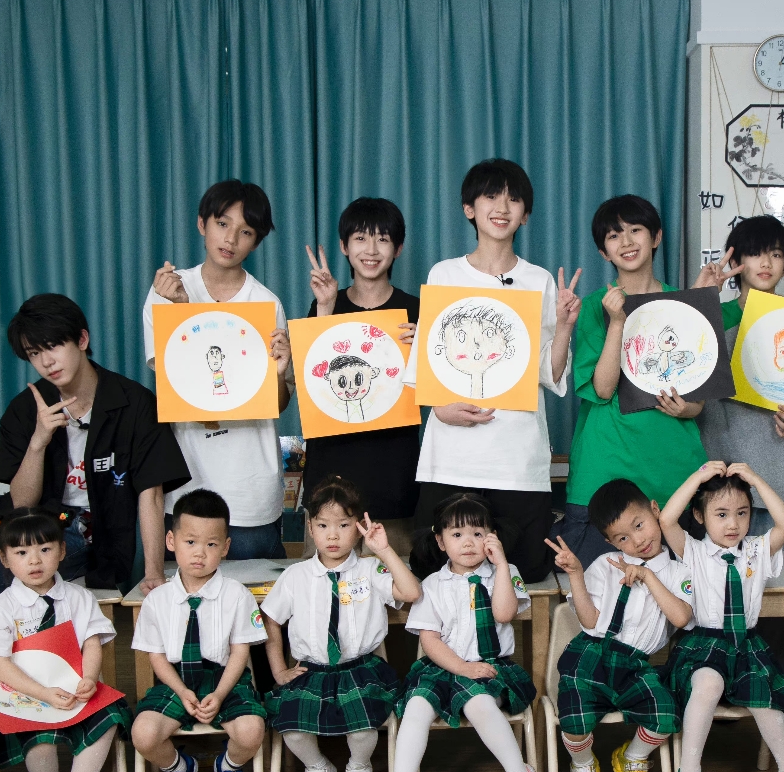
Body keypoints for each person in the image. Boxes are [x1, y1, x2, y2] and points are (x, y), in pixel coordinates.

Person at [0, 294, 190, 595]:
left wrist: (153, 573)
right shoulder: (25, 408)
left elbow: (152, 495)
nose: (46, 362)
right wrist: (38, 442)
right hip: (27, 518)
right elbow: (22, 503)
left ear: (81, 339)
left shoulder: (135, 403)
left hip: (86, 528)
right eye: (34, 353)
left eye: (53, 346)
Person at [404, 159, 581, 582]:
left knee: (526, 571)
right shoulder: (444, 273)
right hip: (452, 457)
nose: (502, 207)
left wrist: (564, 327)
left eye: (514, 199)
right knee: (438, 572)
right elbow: (427, 361)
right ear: (469, 208)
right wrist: (439, 408)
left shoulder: (539, 280)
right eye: (490, 196)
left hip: (516, 458)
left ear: (526, 214)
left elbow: (550, 374)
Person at [556, 195, 708, 568]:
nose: (626, 242)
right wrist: (617, 323)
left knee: (681, 592)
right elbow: (603, 388)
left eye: (635, 230)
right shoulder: (595, 306)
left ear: (656, 237)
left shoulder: (685, 305)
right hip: (606, 471)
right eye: (614, 235)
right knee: (602, 592)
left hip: (671, 471)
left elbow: (698, 401)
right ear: (603, 251)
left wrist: (684, 408)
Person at [143, 179, 291, 560]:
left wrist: (278, 372)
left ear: (256, 242)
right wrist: (179, 308)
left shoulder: (266, 303)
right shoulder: (167, 292)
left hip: (251, 490)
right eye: (222, 224)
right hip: (187, 484)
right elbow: (178, 386)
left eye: (246, 232)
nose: (230, 239)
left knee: (257, 593)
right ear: (201, 223)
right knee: (189, 594)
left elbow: (278, 402)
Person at [260, 476, 422, 772]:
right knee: (292, 727)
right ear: (310, 528)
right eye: (323, 525)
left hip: (361, 668)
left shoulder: (371, 569)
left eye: (344, 525)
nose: (332, 535)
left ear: (359, 527)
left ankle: (359, 769)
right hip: (311, 670)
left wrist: (383, 549)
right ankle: (318, 769)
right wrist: (278, 669)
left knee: (363, 726)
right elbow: (270, 619)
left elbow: (411, 593)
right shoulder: (296, 576)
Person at [391, 493, 541, 772]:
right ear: (441, 541)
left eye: (477, 533)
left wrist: (501, 565)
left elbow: (504, 613)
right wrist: (460, 667)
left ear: (492, 537)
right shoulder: (432, 584)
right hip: (443, 667)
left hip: (490, 667)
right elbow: (430, 640)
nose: (468, 542)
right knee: (415, 708)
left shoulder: (506, 573)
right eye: (457, 535)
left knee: (479, 703)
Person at [659, 461, 784, 772]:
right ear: (700, 516)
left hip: (747, 644)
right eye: (721, 514)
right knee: (707, 685)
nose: (733, 524)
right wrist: (698, 477)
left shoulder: (756, 550)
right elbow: (666, 520)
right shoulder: (692, 551)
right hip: (704, 644)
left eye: (742, 513)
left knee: (763, 698)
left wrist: (755, 479)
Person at [0, 508, 133, 772]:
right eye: (22, 553)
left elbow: (92, 643)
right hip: (26, 694)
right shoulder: (2, 607)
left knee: (108, 717)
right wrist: (42, 693)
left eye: (45, 549)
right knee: (39, 739)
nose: (35, 561)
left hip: (74, 689)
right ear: (5, 559)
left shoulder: (79, 597)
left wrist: (89, 678)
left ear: (62, 551)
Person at [695, 217, 784, 676]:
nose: (766, 262)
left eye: (777, 254)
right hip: (721, 474)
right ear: (737, 260)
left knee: (780, 597)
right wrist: (701, 298)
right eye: (756, 252)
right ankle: (718, 683)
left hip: (781, 474)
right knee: (715, 596)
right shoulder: (712, 315)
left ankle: (772, 685)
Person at [545, 478, 690, 772]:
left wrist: (648, 576)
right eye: (622, 537)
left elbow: (681, 618)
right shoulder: (604, 566)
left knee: (666, 713)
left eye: (639, 525)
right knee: (574, 718)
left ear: (655, 510)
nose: (637, 540)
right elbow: (589, 621)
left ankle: (633, 757)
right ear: (609, 541)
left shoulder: (679, 572)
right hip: (590, 655)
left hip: (635, 664)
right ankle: (583, 765)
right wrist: (577, 575)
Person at [129, 489, 268, 772]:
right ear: (171, 540)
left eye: (211, 544)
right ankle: (178, 769)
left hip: (225, 678)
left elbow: (240, 652)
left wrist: (219, 694)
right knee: (143, 734)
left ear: (226, 547)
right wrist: (181, 691)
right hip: (175, 680)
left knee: (252, 731)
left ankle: (229, 767)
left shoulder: (238, 595)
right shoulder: (157, 600)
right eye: (190, 542)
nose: (200, 553)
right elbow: (156, 657)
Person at [302, 197, 421, 556]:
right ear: (344, 246)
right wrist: (325, 307)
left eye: (383, 239)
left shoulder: (416, 310)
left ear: (398, 248)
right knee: (324, 583)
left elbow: (433, 392)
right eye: (360, 238)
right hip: (330, 473)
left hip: (392, 475)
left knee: (394, 582)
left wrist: (424, 353)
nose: (371, 250)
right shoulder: (323, 305)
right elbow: (312, 387)